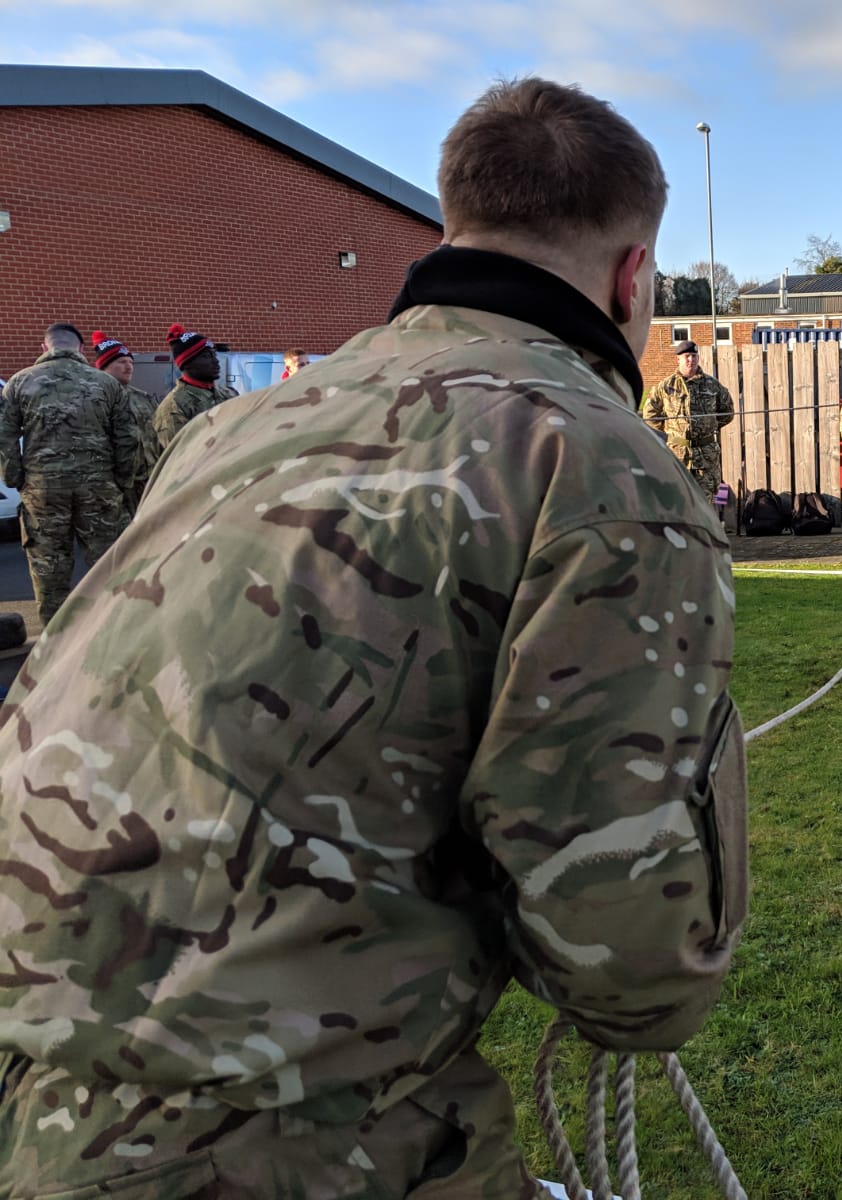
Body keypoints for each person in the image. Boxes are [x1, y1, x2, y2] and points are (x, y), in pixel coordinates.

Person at [0, 76, 748, 1198]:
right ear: (631, 275)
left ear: (451, 231)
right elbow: (630, 967)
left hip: (42, 1085)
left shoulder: (237, 428)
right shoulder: (595, 465)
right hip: (291, 1137)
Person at [0, 321, 137, 622]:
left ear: (44, 347)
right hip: (98, 487)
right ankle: (116, 628)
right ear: (81, 348)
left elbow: (5, 438)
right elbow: (127, 439)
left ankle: (56, 638)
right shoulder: (107, 384)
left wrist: (17, 479)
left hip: (43, 490)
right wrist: (121, 481)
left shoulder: (19, 383)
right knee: (110, 564)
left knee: (49, 569)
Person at [640, 338, 734, 500]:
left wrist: (709, 425)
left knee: (705, 501)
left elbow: (727, 411)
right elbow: (650, 414)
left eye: (694, 356)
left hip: (706, 456)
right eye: (687, 356)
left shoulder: (712, 385)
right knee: (677, 499)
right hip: (677, 456)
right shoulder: (666, 387)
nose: (691, 360)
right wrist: (670, 433)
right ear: (678, 359)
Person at [91, 329, 161, 513]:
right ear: (104, 366)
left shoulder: (142, 398)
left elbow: (156, 437)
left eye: (131, 362)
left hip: (148, 481)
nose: (129, 367)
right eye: (121, 362)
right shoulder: (95, 400)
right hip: (116, 486)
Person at [149, 322, 239, 452]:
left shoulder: (229, 394)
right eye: (207, 356)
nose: (215, 360)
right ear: (187, 364)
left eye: (214, 354)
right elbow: (181, 454)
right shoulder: (174, 408)